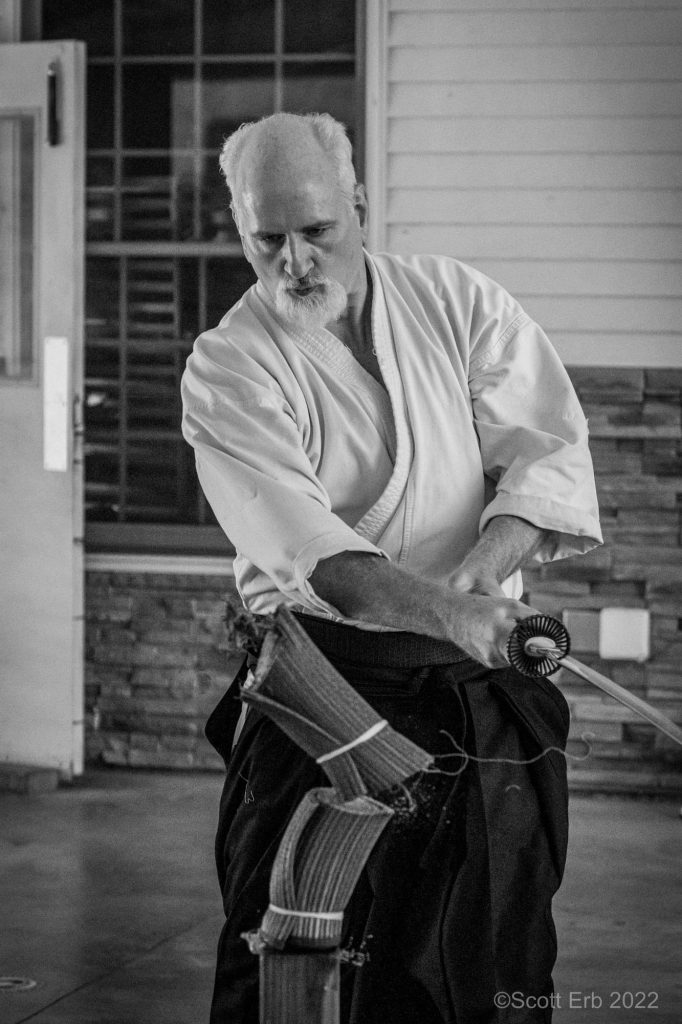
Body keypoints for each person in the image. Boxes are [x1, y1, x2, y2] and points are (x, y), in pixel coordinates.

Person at [181, 112, 601, 1024]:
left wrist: (481, 577)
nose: (294, 260)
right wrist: (452, 611)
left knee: (490, 953)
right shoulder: (228, 365)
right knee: (292, 953)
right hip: (324, 693)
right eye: (267, 239)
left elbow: (546, 453)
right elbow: (312, 552)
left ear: (360, 204)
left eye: (318, 231)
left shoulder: (452, 299)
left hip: (473, 681)